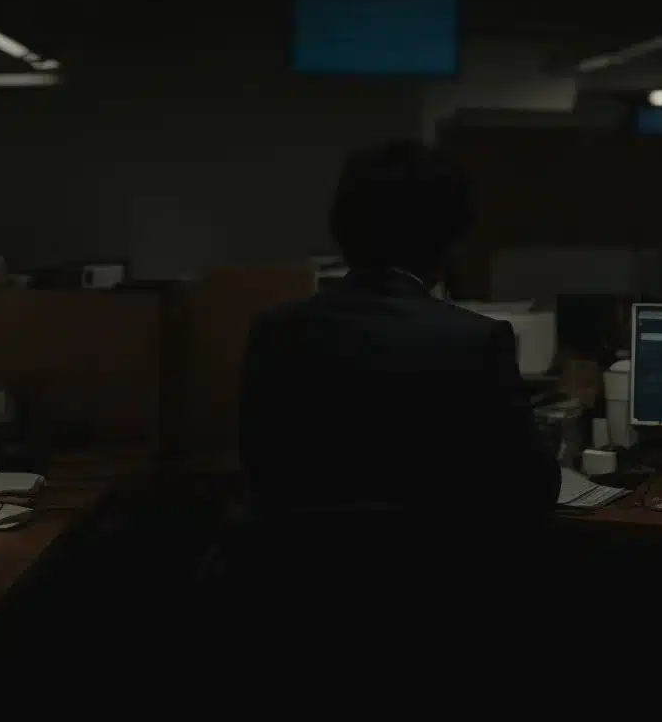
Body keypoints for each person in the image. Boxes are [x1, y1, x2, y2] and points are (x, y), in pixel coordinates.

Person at [225, 140, 557, 717]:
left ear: (341, 229)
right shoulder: (473, 340)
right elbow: (532, 489)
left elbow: (260, 469)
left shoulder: (275, 332)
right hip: (435, 636)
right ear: (450, 237)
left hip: (296, 625)